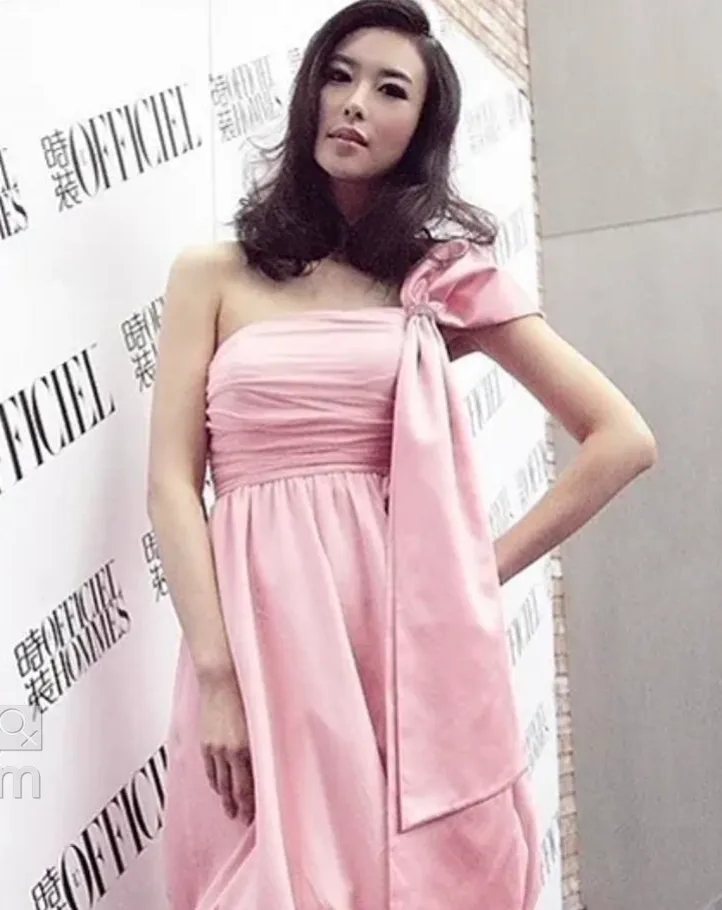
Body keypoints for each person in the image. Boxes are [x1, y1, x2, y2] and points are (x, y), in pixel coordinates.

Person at [145, 1, 657, 907]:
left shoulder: (435, 282)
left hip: (395, 640)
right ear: (309, 94)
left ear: (421, 128)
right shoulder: (211, 275)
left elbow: (620, 439)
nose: (354, 103)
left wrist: (468, 576)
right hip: (257, 636)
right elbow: (172, 487)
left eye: (391, 90)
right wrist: (218, 673)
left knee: (393, 874)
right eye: (338, 76)